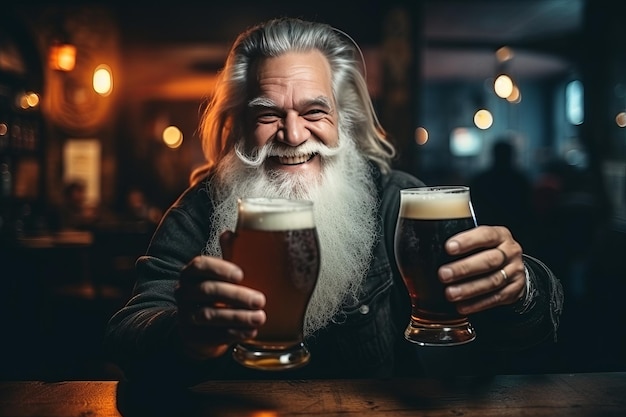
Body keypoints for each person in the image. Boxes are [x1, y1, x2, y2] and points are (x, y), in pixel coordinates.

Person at [104, 17, 563, 385]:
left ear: (344, 119)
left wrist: (520, 288)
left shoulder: (398, 199)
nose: (293, 134)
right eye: (267, 114)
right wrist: (184, 336)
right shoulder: (201, 207)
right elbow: (129, 332)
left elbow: (533, 331)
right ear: (240, 125)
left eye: (314, 111)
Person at [469, 138, 536, 252]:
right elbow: (528, 207)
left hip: (486, 230)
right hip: (517, 230)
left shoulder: (481, 179)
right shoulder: (520, 179)